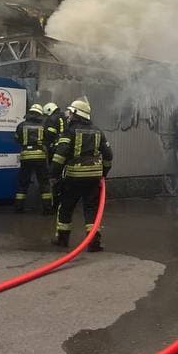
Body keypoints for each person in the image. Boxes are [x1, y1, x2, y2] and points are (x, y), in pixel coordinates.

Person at [50, 98, 113, 252]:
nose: (68, 115)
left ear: (77, 113)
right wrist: (103, 174)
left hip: (74, 176)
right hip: (93, 177)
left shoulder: (70, 131)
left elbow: (60, 154)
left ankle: (62, 239)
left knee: (66, 207)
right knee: (91, 209)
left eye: (71, 112)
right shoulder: (98, 131)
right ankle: (94, 242)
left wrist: (53, 174)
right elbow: (109, 155)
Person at [13, 103, 51, 214]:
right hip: (40, 156)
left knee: (23, 182)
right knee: (44, 182)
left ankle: (19, 208)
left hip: (25, 156)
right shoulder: (44, 125)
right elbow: (48, 139)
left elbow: (16, 139)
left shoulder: (21, 125)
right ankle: (47, 209)